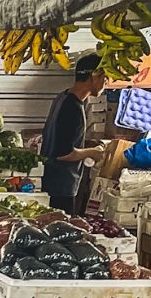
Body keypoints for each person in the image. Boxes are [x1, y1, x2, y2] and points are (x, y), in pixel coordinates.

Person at [38, 54, 107, 214]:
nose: (106, 83)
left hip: (52, 182)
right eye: (105, 78)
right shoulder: (73, 108)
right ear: (94, 77)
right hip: (60, 188)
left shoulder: (63, 97)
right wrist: (92, 152)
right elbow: (63, 153)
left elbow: (62, 138)